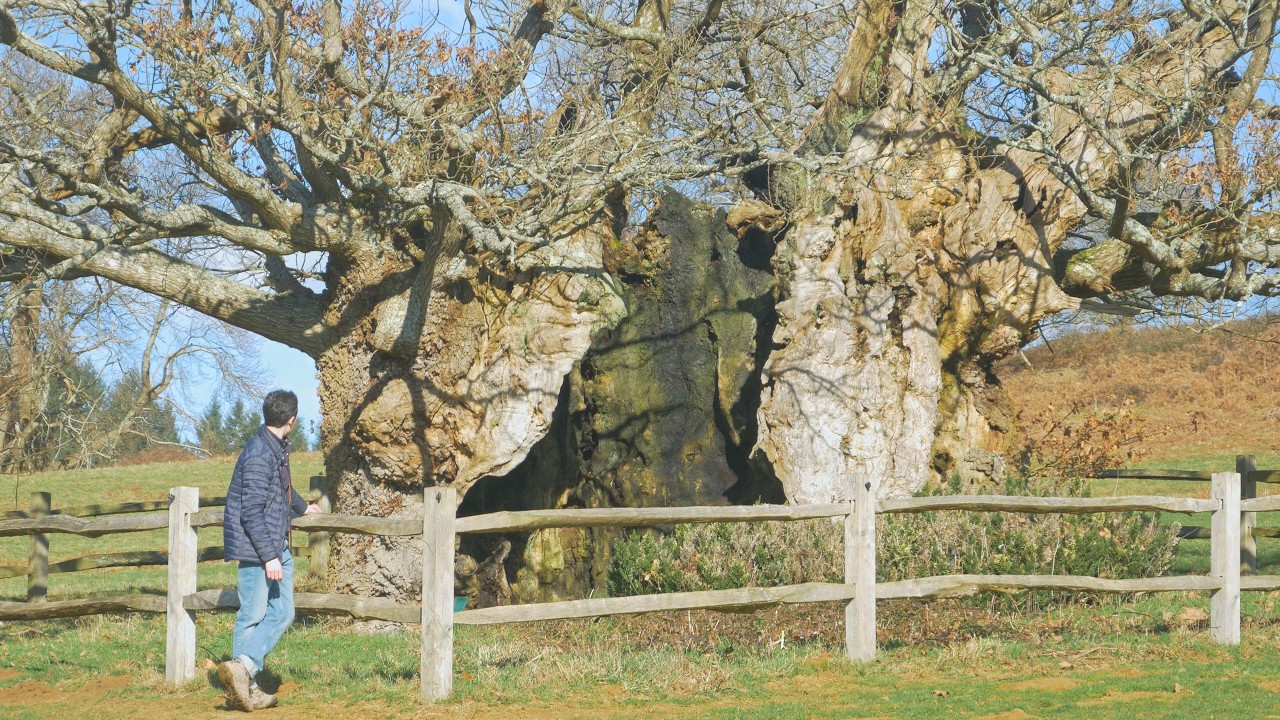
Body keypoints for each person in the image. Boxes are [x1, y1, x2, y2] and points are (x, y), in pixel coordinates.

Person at [216, 390, 321, 712]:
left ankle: (244, 670)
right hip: (258, 549)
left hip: (274, 543)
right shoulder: (261, 453)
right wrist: (269, 556)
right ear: (292, 419)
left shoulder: (274, 446)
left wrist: (303, 508)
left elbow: (281, 488)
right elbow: (250, 512)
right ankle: (247, 686)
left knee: (283, 612)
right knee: (252, 616)